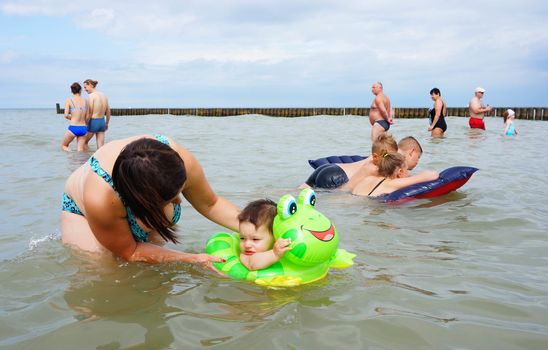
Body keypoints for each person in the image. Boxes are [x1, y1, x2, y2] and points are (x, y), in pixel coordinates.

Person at [60, 134, 240, 268]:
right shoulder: (100, 198)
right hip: (81, 211)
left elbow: (211, 204)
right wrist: (193, 259)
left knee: (156, 271)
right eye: (171, 198)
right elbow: (130, 252)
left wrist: (260, 230)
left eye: (179, 191)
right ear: (146, 201)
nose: (179, 200)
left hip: (139, 193)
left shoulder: (178, 160)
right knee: (104, 265)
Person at [302, 133, 398, 190]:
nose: (391, 160)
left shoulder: (374, 156)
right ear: (375, 157)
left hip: (328, 168)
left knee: (298, 191)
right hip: (336, 177)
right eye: (390, 157)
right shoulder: (375, 167)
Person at [351, 152, 439, 197]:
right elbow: (433, 175)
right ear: (400, 172)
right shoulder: (391, 184)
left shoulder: (368, 178)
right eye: (407, 170)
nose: (408, 174)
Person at [237, 199, 292, 270]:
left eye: (255, 239)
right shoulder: (246, 256)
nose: (247, 245)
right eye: (242, 238)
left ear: (275, 236)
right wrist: (274, 254)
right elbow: (252, 264)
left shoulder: (281, 249)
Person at [83, 79, 111, 149]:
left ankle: (87, 159)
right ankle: (100, 159)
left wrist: (85, 123)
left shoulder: (91, 96)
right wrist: (107, 123)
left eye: (85, 87)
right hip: (102, 122)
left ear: (90, 85)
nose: (84, 89)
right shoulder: (104, 95)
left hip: (93, 122)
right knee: (100, 147)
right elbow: (108, 111)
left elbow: (90, 112)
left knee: (83, 143)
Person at [61, 82, 89, 152]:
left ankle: (71, 155)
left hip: (73, 127)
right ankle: (80, 161)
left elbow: (66, 115)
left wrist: (73, 117)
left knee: (64, 145)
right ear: (80, 90)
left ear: (72, 91)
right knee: (80, 150)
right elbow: (88, 117)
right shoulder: (86, 101)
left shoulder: (69, 101)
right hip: (83, 128)